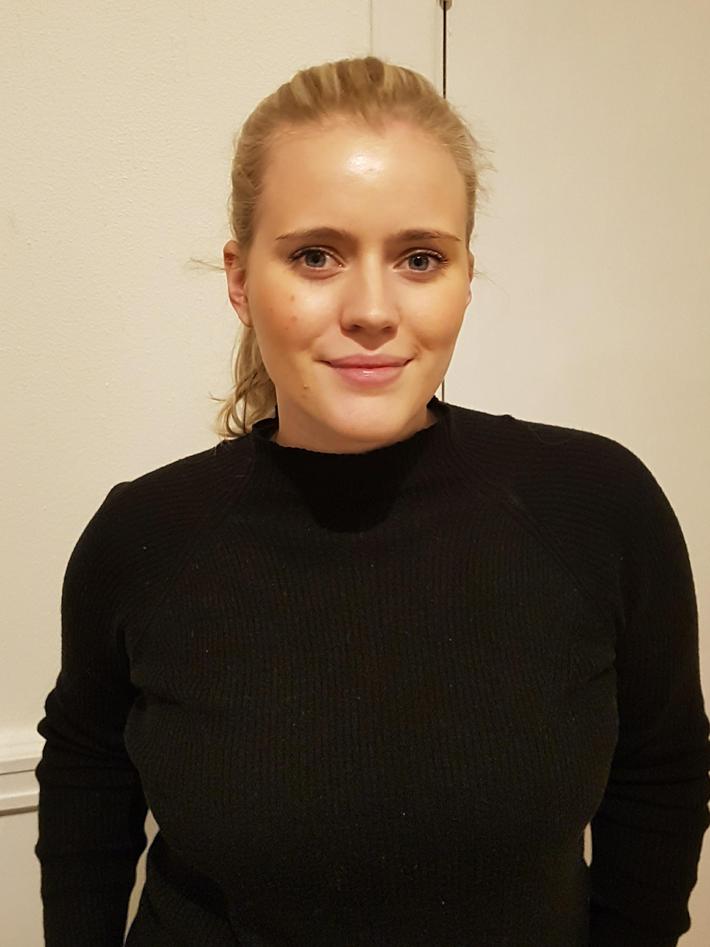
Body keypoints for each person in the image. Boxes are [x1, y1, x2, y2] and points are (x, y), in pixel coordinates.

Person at [34, 55, 710, 947]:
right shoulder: (143, 536)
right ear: (239, 279)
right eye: (315, 255)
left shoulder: (597, 507)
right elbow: (86, 785)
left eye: (420, 258)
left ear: (466, 275)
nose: (372, 309)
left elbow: (660, 774)